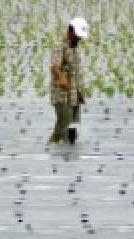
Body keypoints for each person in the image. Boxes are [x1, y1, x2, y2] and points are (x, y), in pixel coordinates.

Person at [48, 17, 88, 145]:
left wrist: (79, 92)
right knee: (64, 126)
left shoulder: (74, 47)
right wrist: (62, 78)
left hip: (74, 95)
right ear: (71, 32)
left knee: (73, 127)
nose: (80, 39)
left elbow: (75, 71)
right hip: (63, 96)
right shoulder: (60, 46)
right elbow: (55, 66)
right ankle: (60, 154)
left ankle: (62, 147)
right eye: (78, 36)